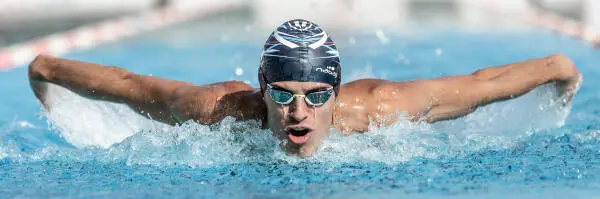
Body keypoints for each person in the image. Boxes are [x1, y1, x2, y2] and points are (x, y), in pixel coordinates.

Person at [28, 19, 582, 157]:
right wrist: (45, 71)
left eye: (317, 95)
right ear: (262, 90)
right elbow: (127, 84)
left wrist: (560, 70)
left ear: (336, 93)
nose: (298, 110)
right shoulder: (219, 110)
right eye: (284, 93)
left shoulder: (380, 110)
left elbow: (482, 84)